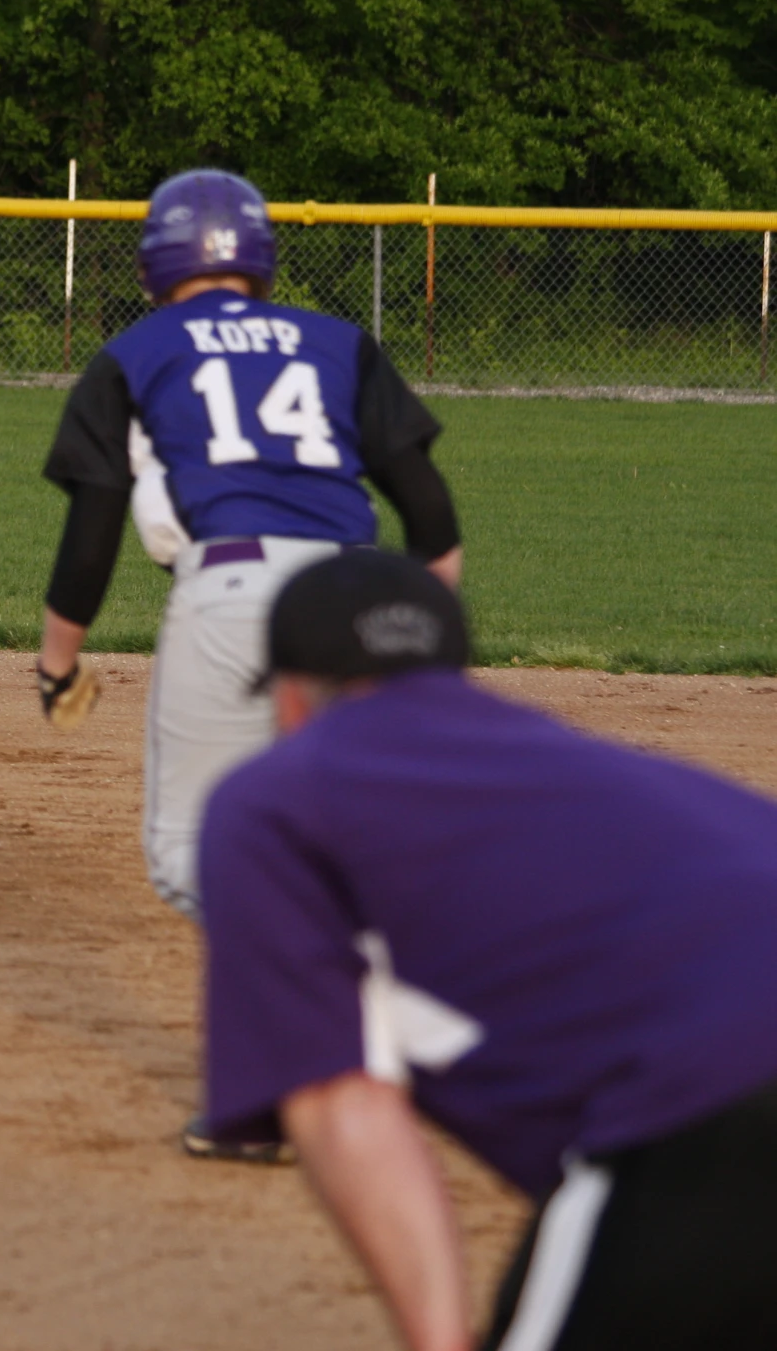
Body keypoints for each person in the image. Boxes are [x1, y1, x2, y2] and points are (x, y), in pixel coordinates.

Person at [201, 550, 777, 1351]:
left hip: (717, 1094)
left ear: (291, 696)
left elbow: (342, 1103)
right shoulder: (586, 763)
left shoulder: (277, 796)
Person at [35, 168, 462, 921]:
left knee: (192, 858)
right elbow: (430, 515)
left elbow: (91, 538)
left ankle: (315, 1002)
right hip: (354, 599)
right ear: (260, 257)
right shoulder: (339, 342)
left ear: (154, 264)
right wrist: (424, 644)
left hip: (230, 594)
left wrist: (58, 668)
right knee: (349, 838)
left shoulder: (133, 354)